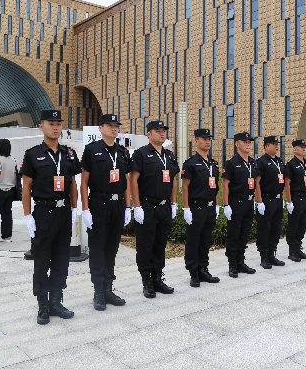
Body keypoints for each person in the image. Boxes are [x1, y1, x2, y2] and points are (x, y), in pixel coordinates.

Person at [21, 109, 81, 325]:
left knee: (61, 259)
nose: (55, 127)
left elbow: (72, 183)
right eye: (50, 123)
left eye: (58, 123)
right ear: (41, 126)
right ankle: (43, 306)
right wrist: (28, 216)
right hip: (43, 214)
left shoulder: (69, 153)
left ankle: (56, 302)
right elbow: (26, 188)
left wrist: (74, 209)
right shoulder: (32, 154)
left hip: (64, 212)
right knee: (42, 260)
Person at [80, 114, 131, 311]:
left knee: (111, 248)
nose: (114, 128)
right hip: (98, 204)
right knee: (98, 248)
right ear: (100, 128)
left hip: (118, 205)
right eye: (109, 125)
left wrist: (128, 207)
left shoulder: (122, 151)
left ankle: (108, 289)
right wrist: (85, 209)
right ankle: (98, 291)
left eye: (116, 125)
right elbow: (84, 182)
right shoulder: (92, 149)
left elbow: (126, 181)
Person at [129, 120, 179, 298]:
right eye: (157, 131)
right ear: (149, 134)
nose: (162, 133)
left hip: (165, 207)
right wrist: (137, 207)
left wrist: (174, 203)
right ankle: (147, 282)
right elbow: (133, 180)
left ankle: (158, 279)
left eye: (163, 130)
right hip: (147, 206)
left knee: (160, 244)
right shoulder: (141, 154)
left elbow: (173, 180)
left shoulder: (169, 155)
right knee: (145, 245)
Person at [181, 128, 221, 287]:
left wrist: (217, 205)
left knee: (205, 240)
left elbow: (215, 186)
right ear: (196, 141)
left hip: (210, 208)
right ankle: (193, 272)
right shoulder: (190, 163)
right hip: (196, 208)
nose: (207, 141)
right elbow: (185, 188)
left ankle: (203, 269)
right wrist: (186, 208)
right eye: (204, 139)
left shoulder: (213, 163)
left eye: (209, 139)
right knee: (193, 241)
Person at [222, 132, 259, 278]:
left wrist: (255, 200)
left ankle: (240, 262)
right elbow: (225, 185)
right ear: (237, 144)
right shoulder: (232, 163)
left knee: (244, 234)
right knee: (234, 235)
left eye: (249, 142)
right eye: (245, 142)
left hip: (249, 202)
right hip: (236, 202)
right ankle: (232, 264)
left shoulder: (253, 163)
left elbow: (254, 183)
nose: (248, 144)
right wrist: (226, 205)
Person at [254, 136, 286, 269]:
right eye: (274, 144)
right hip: (266, 199)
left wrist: (282, 198)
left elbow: (281, 182)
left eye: (277, 144)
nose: (277, 146)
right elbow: (257, 183)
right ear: (266, 146)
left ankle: (272, 254)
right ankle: (264, 256)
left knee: (275, 228)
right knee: (264, 229)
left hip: (278, 199)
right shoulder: (261, 162)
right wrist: (259, 201)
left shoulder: (279, 161)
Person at [284, 139, 306, 262]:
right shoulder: (291, 164)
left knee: (302, 225)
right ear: (295, 149)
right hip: (296, 198)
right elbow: (287, 184)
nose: (304, 148)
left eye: (304, 147)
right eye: (301, 147)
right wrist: (289, 202)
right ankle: (292, 251)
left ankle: (298, 248)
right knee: (294, 225)